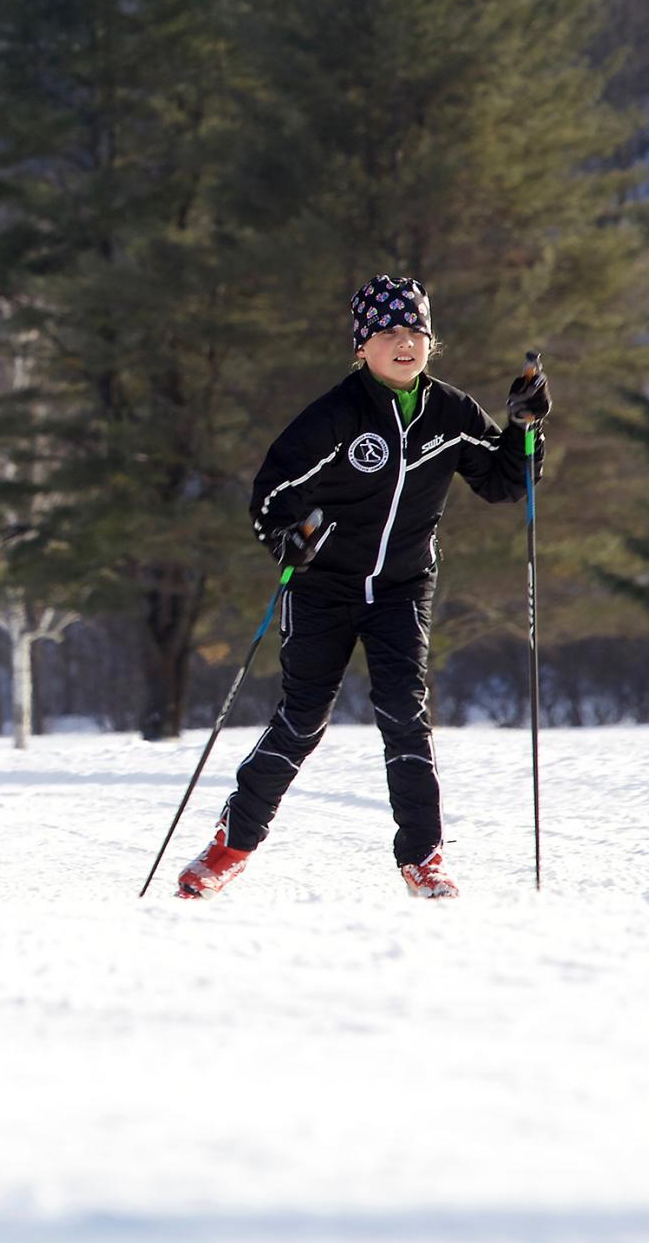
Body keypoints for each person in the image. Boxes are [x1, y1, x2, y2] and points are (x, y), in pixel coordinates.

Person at [175, 275, 549, 901]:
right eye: (389, 332)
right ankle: (229, 847)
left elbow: (507, 482)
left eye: (416, 332)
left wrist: (525, 426)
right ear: (361, 347)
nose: (405, 343)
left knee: (405, 714)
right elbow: (272, 494)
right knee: (302, 720)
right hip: (322, 588)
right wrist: (286, 539)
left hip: (403, 587)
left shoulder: (451, 412)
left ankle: (423, 857)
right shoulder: (334, 416)